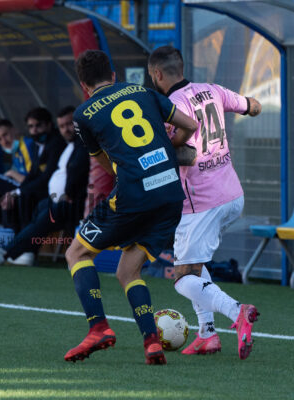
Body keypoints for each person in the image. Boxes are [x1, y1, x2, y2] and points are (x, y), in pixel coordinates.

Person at [64, 50, 198, 365]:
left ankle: (98, 328)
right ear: (113, 75)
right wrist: (169, 148)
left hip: (134, 195)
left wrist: (130, 170)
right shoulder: (143, 92)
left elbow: (103, 162)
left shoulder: (83, 114)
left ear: (84, 86)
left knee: (76, 254)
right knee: (128, 271)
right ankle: (152, 342)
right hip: (170, 195)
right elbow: (190, 125)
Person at [148, 45, 262, 359]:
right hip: (232, 194)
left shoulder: (172, 105)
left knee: (182, 276)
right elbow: (251, 106)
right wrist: (253, 107)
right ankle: (207, 334)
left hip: (201, 202)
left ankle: (237, 312)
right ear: (181, 68)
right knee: (195, 266)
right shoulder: (213, 90)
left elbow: (176, 151)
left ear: (157, 74)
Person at [0, 106, 89, 266]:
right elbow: (35, 174)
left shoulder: (80, 144)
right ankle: (26, 251)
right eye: (62, 126)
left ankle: (6, 252)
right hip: (56, 199)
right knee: (36, 207)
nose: (66, 129)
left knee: (39, 209)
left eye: (69, 124)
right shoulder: (67, 145)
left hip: (73, 201)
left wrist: (69, 193)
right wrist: (17, 192)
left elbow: (77, 172)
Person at [0, 119, 38, 230]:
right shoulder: (16, 151)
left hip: (33, 190)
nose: (4, 141)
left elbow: (32, 180)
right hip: (22, 188)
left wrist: (11, 173)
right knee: (1, 195)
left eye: (5, 135)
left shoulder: (27, 145)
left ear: (15, 130)